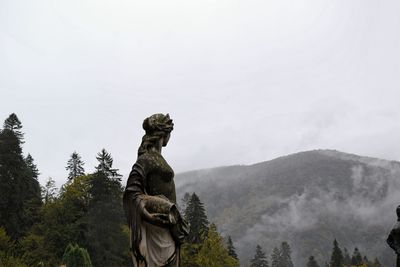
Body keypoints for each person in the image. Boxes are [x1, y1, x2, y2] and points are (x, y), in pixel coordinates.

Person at [123, 113, 188, 267]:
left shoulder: (155, 158)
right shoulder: (147, 159)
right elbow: (132, 191)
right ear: (165, 134)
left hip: (167, 226)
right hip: (157, 229)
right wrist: (147, 211)